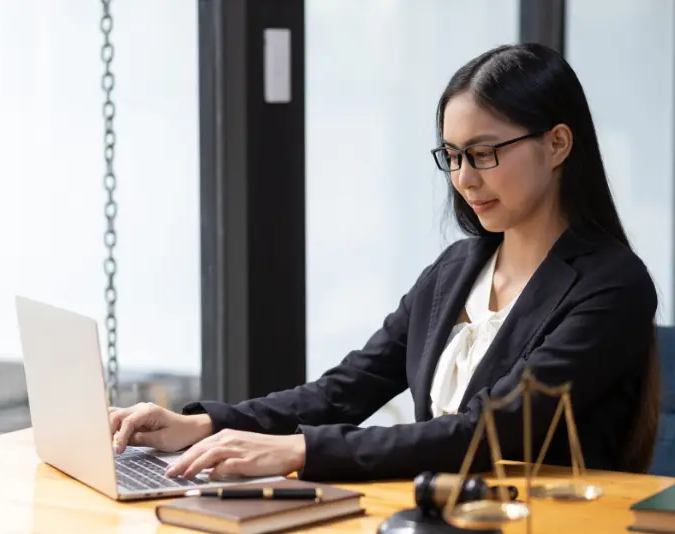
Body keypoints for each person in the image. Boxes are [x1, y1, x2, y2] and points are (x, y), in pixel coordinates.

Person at [109, 43, 660, 482]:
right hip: (442, 516)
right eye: (452, 155)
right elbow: (345, 389)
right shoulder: (455, 271)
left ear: (558, 144)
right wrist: (203, 423)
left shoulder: (611, 286)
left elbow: (488, 433)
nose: (465, 178)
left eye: (485, 153)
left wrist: (299, 450)